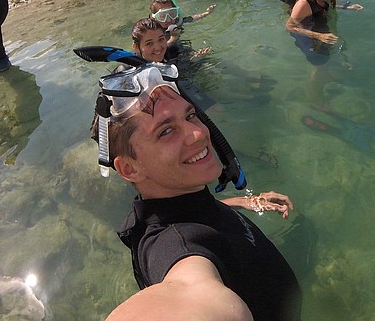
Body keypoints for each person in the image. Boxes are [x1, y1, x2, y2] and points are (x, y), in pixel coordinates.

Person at [90, 64, 302, 321]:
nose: (199, 133)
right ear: (129, 169)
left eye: (190, 116)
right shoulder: (178, 251)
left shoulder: (179, 201)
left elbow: (196, 215)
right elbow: (189, 292)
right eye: (165, 131)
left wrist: (242, 202)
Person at [148, 0, 215, 48]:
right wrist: (173, 38)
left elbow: (191, 18)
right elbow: (160, 49)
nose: (169, 19)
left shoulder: (177, 22)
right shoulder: (155, 31)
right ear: (154, 19)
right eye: (163, 16)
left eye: (172, 14)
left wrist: (206, 13)